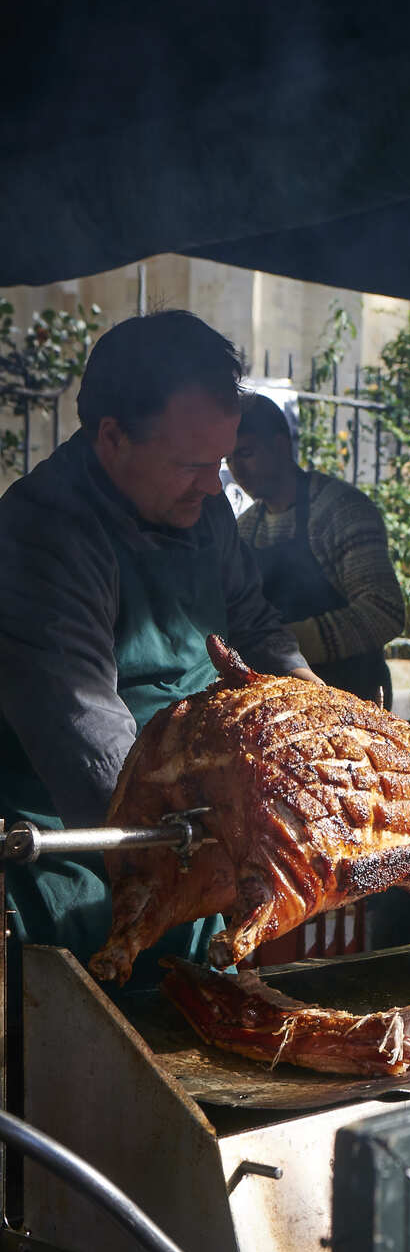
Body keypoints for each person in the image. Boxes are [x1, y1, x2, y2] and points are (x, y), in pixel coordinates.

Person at [0, 310, 322, 978]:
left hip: (198, 834)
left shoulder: (202, 508)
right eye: (192, 465)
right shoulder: (43, 534)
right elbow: (84, 730)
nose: (214, 486)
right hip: (85, 857)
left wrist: (324, 720)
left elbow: (253, 624)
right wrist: (215, 835)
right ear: (112, 437)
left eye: (221, 463)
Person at [228, 394, 405, 702]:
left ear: (281, 446)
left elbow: (383, 611)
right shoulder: (245, 527)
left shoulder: (342, 510)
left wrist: (277, 646)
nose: (237, 470)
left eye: (246, 453)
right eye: (229, 459)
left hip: (355, 698)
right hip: (283, 701)